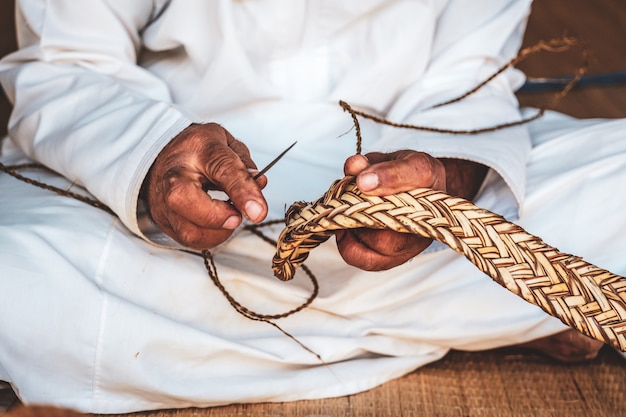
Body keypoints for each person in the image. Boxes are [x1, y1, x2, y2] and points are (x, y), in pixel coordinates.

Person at [0, 0, 624, 413]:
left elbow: (473, 80)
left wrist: (442, 175)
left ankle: (211, 345)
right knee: (15, 277)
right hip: (150, 191)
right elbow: (65, 65)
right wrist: (151, 155)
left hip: (404, 181)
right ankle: (509, 314)